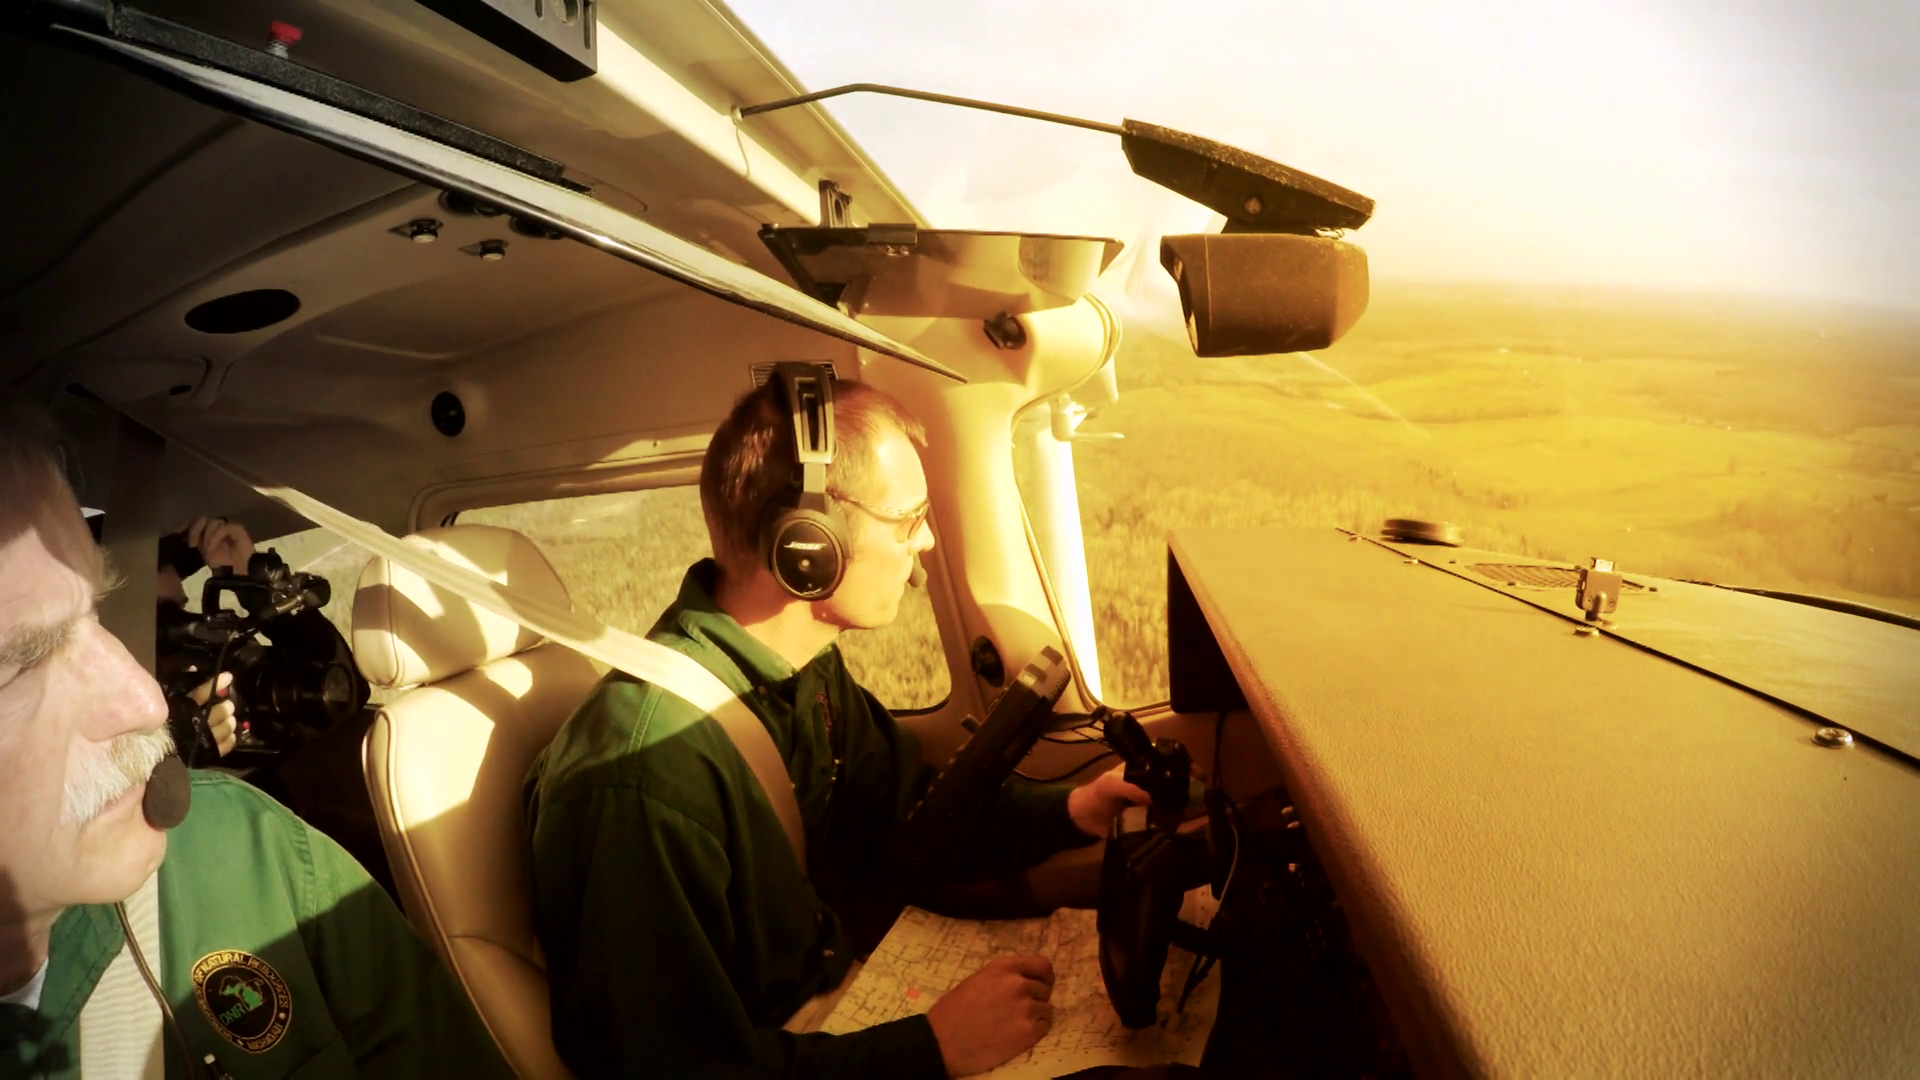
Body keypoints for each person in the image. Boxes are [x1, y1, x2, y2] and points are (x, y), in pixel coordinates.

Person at [524, 375, 1152, 1078]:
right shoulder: (641, 780)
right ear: (807, 545)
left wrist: (1073, 810)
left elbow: (904, 818)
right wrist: (933, 1048)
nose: (926, 541)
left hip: (839, 1008)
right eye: (908, 519)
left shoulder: (804, 675)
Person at [0, 394, 515, 1079]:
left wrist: (256, 586)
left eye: (101, 612)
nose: (143, 699)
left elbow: (333, 695)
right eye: (24, 660)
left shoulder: (254, 849)